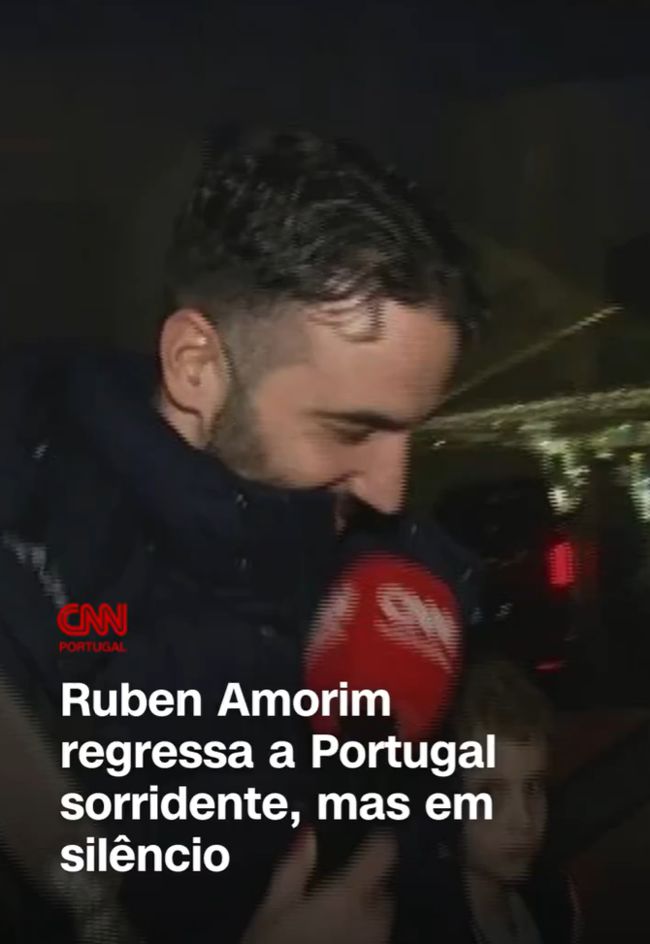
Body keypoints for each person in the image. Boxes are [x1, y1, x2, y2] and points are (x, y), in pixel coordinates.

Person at [0, 125, 484, 943]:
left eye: (413, 433)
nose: (393, 489)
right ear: (197, 365)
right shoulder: (43, 608)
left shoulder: (392, 574)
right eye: (351, 428)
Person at [396, 659, 580, 944]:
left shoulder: (556, 902)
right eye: (489, 794)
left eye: (532, 787)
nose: (523, 821)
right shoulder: (413, 931)